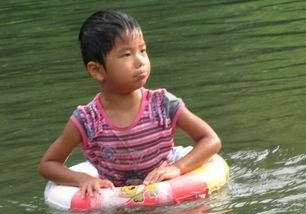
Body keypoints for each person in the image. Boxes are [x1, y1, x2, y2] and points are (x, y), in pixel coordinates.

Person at [39, 10, 221, 198]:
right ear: (97, 70)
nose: (140, 61)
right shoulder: (87, 121)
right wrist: (82, 179)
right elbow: (48, 164)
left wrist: (178, 168)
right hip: (118, 207)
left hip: (167, 196)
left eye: (142, 50)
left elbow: (210, 140)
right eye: (126, 54)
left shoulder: (162, 104)